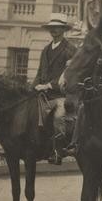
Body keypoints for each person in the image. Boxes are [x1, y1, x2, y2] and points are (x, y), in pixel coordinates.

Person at [33, 13, 77, 164]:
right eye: (51, 27)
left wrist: (49, 85)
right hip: (42, 95)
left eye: (57, 27)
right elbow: (39, 73)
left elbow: (70, 76)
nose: (54, 30)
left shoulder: (70, 49)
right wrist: (33, 88)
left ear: (63, 29)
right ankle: (33, 147)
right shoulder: (45, 50)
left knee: (59, 116)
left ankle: (58, 151)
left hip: (61, 95)